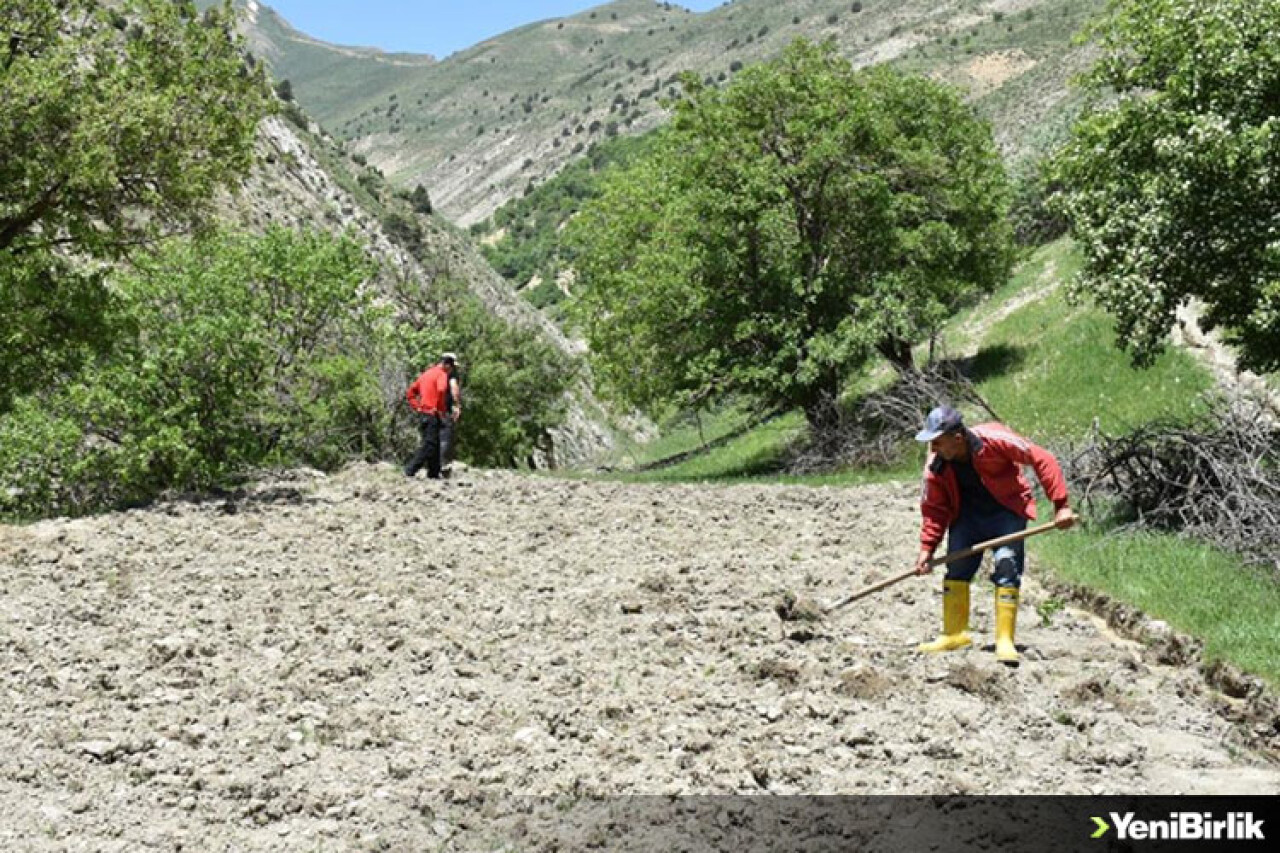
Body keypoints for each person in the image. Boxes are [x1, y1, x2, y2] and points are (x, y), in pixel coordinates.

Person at [912, 406, 1075, 665]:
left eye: (938, 442)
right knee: (957, 568)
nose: (933, 449)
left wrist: (1061, 505)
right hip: (967, 516)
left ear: (957, 438)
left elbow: (1042, 458)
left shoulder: (995, 439)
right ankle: (955, 634)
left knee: (1007, 563)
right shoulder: (936, 466)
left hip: (1006, 512)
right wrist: (927, 549)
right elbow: (934, 509)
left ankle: (1004, 640)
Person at [404, 352, 462, 479]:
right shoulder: (442, 375)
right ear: (447, 364)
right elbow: (441, 390)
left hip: (424, 413)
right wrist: (441, 409)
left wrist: (417, 406)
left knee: (434, 444)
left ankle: (434, 473)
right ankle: (410, 470)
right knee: (429, 445)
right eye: (452, 367)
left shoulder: (426, 374)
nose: (453, 370)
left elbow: (410, 392)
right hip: (433, 413)